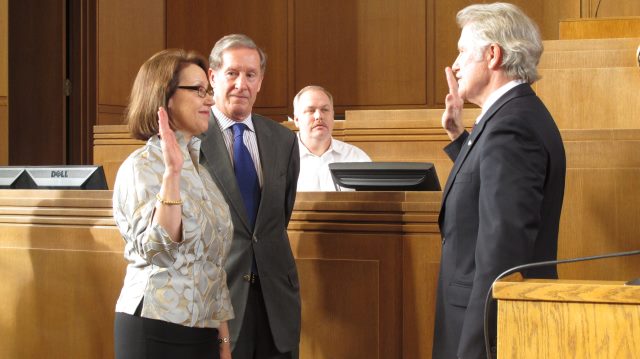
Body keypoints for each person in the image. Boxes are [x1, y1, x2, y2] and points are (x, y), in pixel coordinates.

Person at [432, 3, 566, 359]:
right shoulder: (509, 118)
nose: (455, 64)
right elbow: (484, 190)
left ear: (493, 54)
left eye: (462, 52)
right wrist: (459, 137)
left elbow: (500, 257)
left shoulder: (512, 126)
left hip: (485, 334)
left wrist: (475, 349)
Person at [112, 49, 234, 359]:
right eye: (198, 91)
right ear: (165, 97)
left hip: (204, 333)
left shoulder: (203, 172)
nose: (209, 101)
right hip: (155, 327)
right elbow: (158, 252)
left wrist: (222, 341)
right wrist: (172, 174)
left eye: (209, 92)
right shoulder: (140, 167)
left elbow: (214, 264)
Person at [199, 34, 301, 359]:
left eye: (250, 74)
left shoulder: (283, 141)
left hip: (276, 304)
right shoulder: (191, 141)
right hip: (219, 301)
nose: (241, 84)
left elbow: (277, 218)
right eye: (232, 73)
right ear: (213, 77)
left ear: (260, 82)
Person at [293, 85, 371, 191]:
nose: (319, 116)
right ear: (296, 119)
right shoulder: (281, 159)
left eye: (325, 110)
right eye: (310, 110)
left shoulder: (356, 158)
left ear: (333, 116)